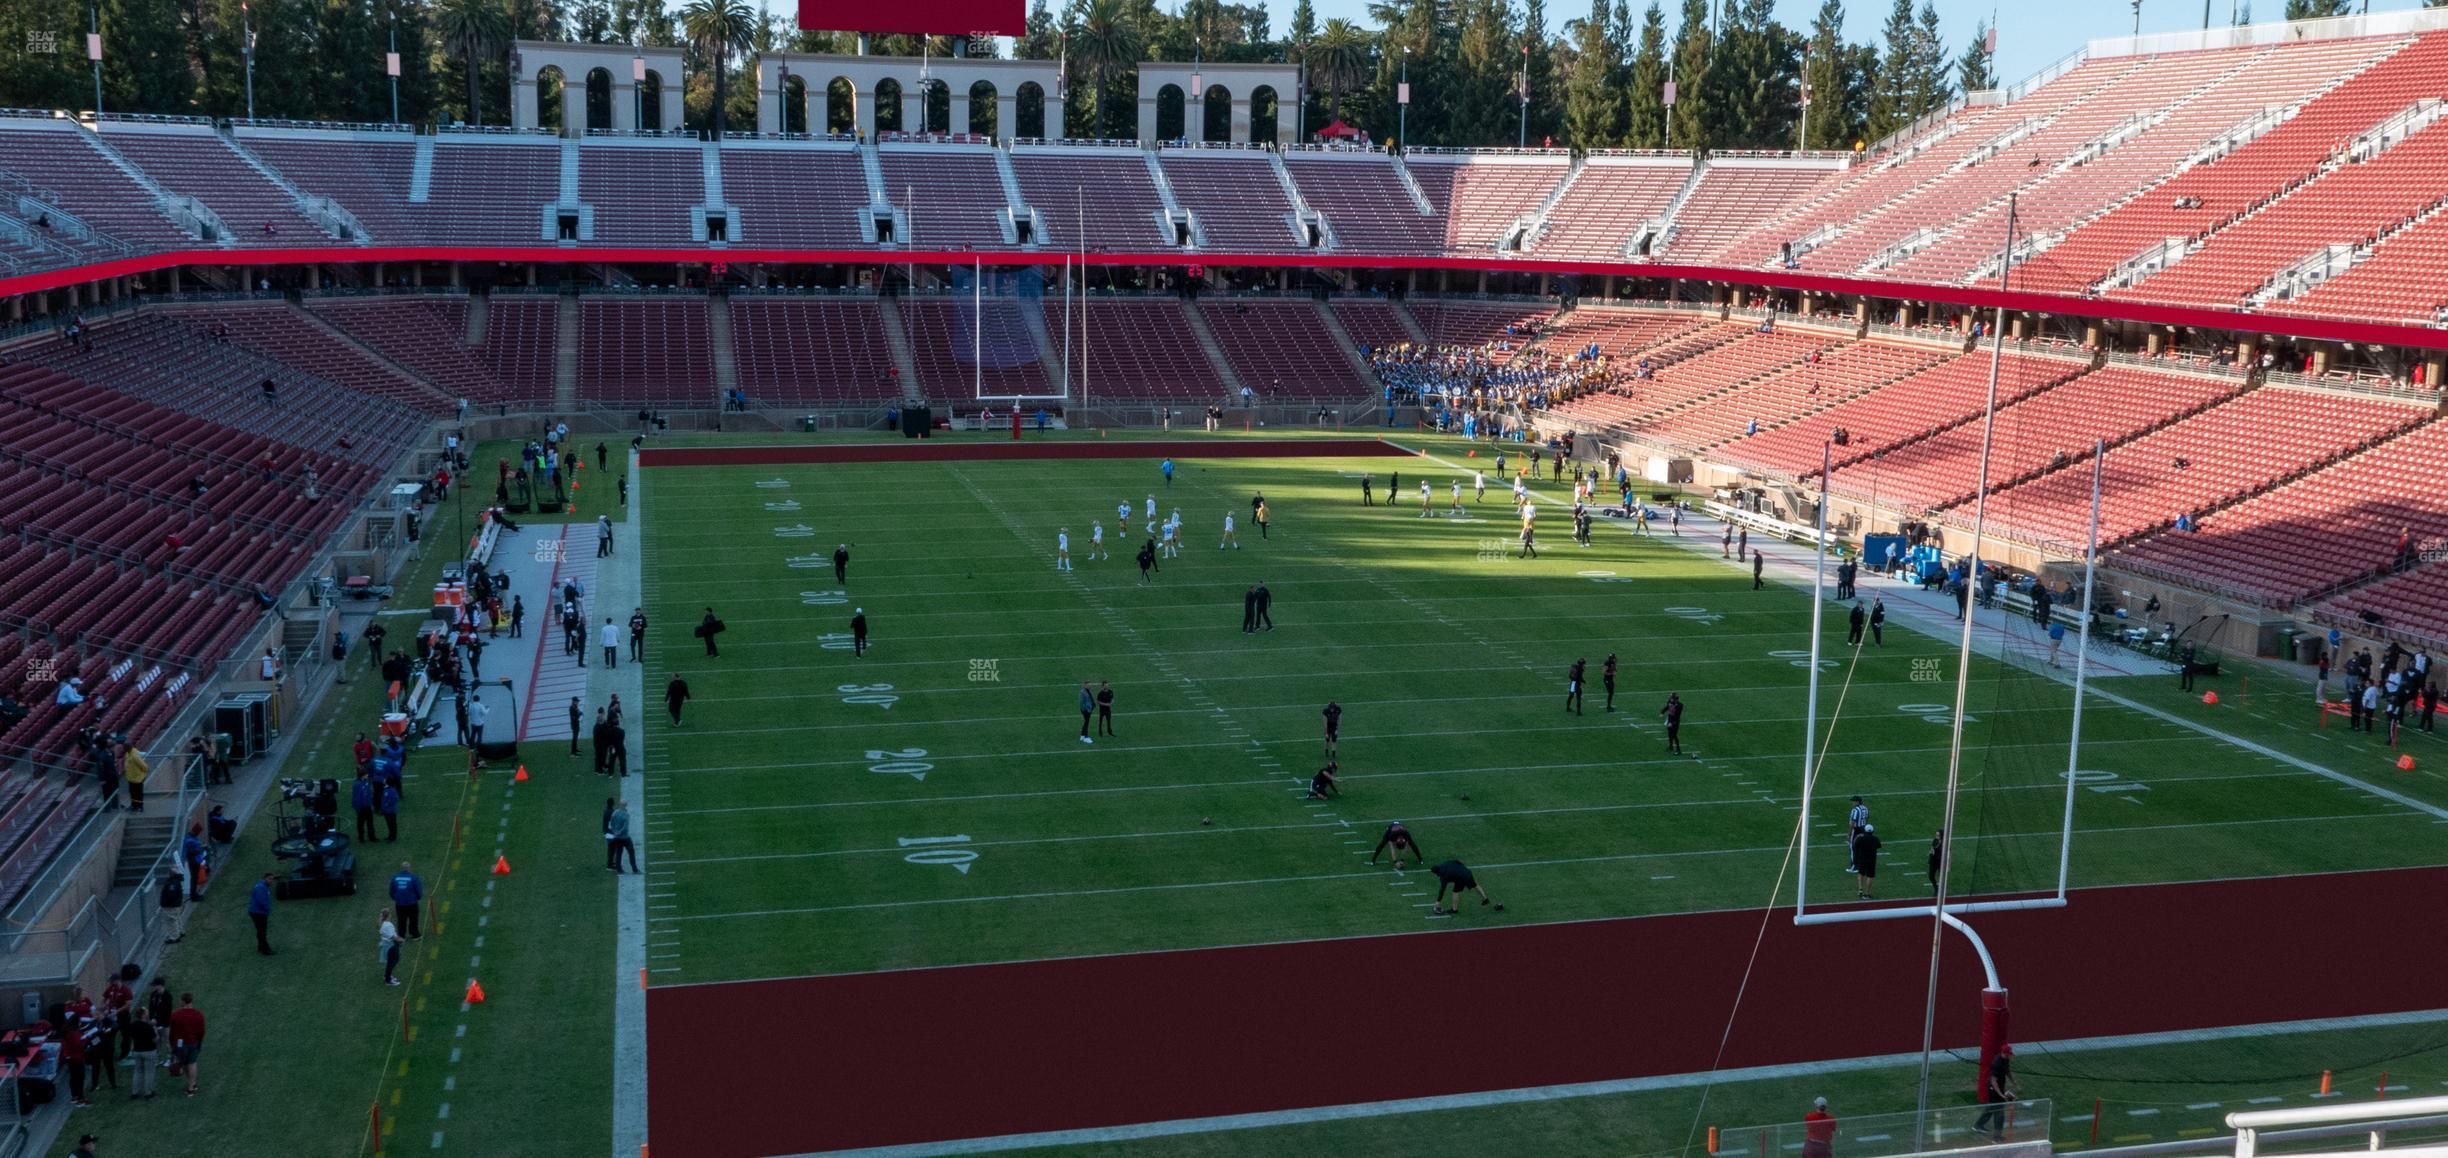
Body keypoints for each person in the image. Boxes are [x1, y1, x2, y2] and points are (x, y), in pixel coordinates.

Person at [1973, 1046, 2017, 1138]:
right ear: (2003, 1053)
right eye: (2007, 1054)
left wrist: (2013, 1081)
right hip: (1993, 1088)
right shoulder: (1996, 1063)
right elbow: (1993, 1081)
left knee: (1991, 1108)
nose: (2009, 1056)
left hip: (1999, 1087)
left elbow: (2007, 1071)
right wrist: (2001, 1094)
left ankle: (1978, 1125)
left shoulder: (2005, 1060)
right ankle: (1996, 1136)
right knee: (1998, 1110)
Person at [1429, 859, 1499, 915]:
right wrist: (1462, 868)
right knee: (1475, 885)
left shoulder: (1443, 877)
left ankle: (1454, 910)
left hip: (1461, 878)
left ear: (1436, 872)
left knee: (1455, 892)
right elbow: (1457, 861)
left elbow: (1442, 890)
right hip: (1466, 872)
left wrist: (1438, 901)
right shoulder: (1445, 863)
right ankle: (1485, 898)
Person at [167, 994, 204, 1097]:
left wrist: (172, 1044)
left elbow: (172, 1032)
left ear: (183, 1001)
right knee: (192, 1063)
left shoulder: (175, 1015)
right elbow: (201, 1031)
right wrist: (199, 1042)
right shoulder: (199, 1015)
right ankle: (193, 1085)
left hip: (180, 1044)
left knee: (185, 1064)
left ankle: (190, 1086)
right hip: (194, 1042)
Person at [127, 1006, 161, 1098]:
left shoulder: (132, 1025)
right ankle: (148, 1093)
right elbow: (155, 1040)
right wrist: (155, 1030)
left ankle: (134, 1093)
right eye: (147, 1012)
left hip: (137, 1051)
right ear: (143, 1015)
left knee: (137, 1072)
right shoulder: (148, 1027)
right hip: (149, 1052)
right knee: (149, 1072)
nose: (148, 1013)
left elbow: (131, 1037)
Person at [1852, 823, 1882, 900]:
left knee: (1860, 874)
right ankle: (1867, 893)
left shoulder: (1860, 838)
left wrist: (1857, 837)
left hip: (1862, 859)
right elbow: (1879, 846)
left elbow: (1854, 846)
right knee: (1870, 876)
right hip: (1872, 860)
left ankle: (1860, 889)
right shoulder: (1875, 839)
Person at [607, 800, 638, 872]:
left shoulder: (615, 813)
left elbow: (611, 823)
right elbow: (625, 827)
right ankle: (635, 869)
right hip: (625, 837)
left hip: (617, 837)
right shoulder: (626, 815)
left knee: (619, 853)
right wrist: (620, 832)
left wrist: (615, 832)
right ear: (625, 805)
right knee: (631, 852)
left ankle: (619, 869)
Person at [378, 909, 405, 986]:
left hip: (388, 944)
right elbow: (393, 936)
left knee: (392, 960)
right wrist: (401, 940)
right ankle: (388, 979)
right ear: (388, 916)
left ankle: (387, 975)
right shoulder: (387, 925)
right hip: (391, 945)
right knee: (393, 960)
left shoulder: (383, 923)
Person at [123, 742, 150, 812]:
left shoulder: (135, 756)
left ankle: (140, 807)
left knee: (138, 793)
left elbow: (144, 766)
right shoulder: (127, 754)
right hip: (131, 778)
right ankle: (133, 805)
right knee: (132, 792)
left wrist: (143, 772)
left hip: (138, 778)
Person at [1846, 796, 1869, 872]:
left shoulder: (1855, 810)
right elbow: (1866, 818)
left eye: (1854, 801)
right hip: (1864, 829)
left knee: (1853, 848)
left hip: (1856, 830)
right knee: (1861, 848)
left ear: (1858, 802)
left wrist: (1849, 834)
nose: (1852, 803)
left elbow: (1852, 822)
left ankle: (1854, 866)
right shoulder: (1865, 808)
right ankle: (1862, 865)